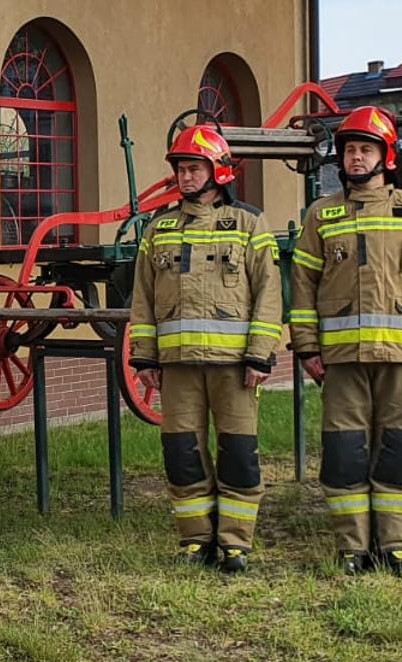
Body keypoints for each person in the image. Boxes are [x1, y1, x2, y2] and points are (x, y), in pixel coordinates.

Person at [288, 105, 402, 575]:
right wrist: (307, 346)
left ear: (386, 155)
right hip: (340, 358)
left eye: (365, 149)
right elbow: (302, 285)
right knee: (344, 451)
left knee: (400, 448)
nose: (356, 157)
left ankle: (395, 545)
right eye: (350, 150)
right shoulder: (322, 214)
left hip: (401, 355)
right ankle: (352, 547)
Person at [127, 125, 281, 572]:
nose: (186, 176)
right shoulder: (159, 229)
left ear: (219, 171)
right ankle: (195, 539)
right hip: (177, 368)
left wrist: (260, 353)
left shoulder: (249, 224)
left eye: (195, 168)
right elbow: (143, 297)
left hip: (235, 367)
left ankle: (235, 542)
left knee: (238, 454)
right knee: (182, 454)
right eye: (181, 168)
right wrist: (144, 355)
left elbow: (269, 293)